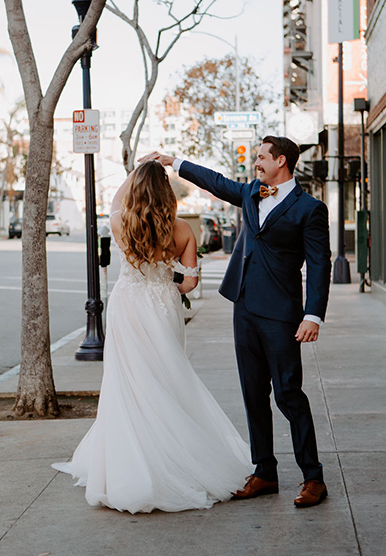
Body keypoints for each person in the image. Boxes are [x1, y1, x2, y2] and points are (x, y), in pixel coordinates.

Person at [141, 136, 332, 508]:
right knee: (253, 393)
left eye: (262, 157)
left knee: (289, 394)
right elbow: (215, 181)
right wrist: (172, 161)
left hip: (281, 313)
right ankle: (265, 472)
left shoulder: (310, 208)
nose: (256, 162)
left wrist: (313, 315)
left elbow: (321, 264)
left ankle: (313, 477)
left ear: (281, 161)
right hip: (243, 305)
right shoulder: (250, 193)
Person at [52, 160, 251, 513]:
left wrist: (138, 169)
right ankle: (176, 457)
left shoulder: (120, 222)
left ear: (137, 189)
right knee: (166, 380)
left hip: (128, 307)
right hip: (162, 308)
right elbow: (189, 282)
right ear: (167, 194)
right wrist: (165, 277)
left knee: (128, 384)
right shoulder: (183, 230)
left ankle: (134, 462)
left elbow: (115, 201)